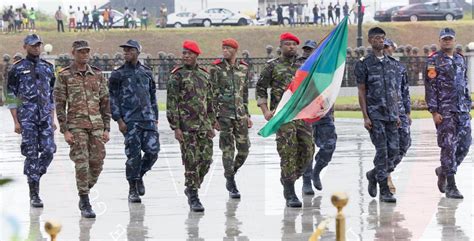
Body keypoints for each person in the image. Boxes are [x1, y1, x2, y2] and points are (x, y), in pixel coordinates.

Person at [256, 32, 315, 208]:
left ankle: (287, 179)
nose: (291, 47)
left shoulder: (304, 65)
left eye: (294, 44)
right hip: (283, 117)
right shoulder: (272, 66)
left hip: (302, 115)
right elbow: (260, 88)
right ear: (280, 46)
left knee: (308, 150)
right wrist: (266, 110)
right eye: (288, 44)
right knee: (288, 152)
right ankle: (290, 191)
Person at [54, 40, 111, 218]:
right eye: (81, 52)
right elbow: (60, 104)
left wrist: (107, 128)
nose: (84, 55)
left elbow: (105, 102)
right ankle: (85, 199)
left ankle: (85, 187)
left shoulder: (98, 75)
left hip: (96, 126)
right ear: (73, 53)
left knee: (98, 162)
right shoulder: (65, 76)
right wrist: (65, 130)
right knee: (82, 162)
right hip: (76, 125)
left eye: (87, 51)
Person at [6, 34, 56, 208]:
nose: (37, 48)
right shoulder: (17, 68)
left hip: (44, 117)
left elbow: (51, 95)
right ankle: (34, 193)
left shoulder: (48, 68)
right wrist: (16, 121)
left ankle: (34, 174)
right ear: (25, 47)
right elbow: (11, 94)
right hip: (27, 118)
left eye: (38, 45)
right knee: (31, 154)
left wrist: (52, 117)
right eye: (33, 45)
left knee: (49, 150)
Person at [109, 40, 160, 203]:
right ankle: (132, 189)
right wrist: (118, 119)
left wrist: (155, 116)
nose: (126, 53)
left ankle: (139, 176)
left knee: (153, 152)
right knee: (133, 156)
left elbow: (152, 96)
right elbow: (113, 98)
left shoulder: (146, 72)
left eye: (130, 50)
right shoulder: (118, 74)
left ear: (138, 52)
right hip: (130, 121)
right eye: (124, 51)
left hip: (148, 119)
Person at [167, 40, 216, 212]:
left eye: (189, 54)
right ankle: (193, 195)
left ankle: (192, 186)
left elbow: (209, 101)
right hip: (186, 127)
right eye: (184, 54)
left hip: (203, 126)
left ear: (196, 55)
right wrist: (176, 127)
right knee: (191, 161)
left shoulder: (204, 75)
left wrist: (211, 123)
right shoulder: (177, 75)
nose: (186, 56)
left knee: (206, 159)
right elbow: (172, 103)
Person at [424, 28, 471, 199]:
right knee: (448, 147)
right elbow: (430, 87)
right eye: (444, 39)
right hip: (445, 112)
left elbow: (464, 83)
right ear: (440, 40)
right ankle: (451, 185)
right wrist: (434, 111)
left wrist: (468, 105)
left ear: (454, 40)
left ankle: (443, 170)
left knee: (465, 144)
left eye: (450, 39)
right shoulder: (433, 61)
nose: (447, 41)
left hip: (462, 111)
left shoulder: (460, 59)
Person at [355, 27, 399, 203]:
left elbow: (394, 91)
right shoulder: (364, 63)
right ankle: (384, 189)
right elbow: (361, 91)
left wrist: (396, 114)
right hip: (375, 115)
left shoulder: (391, 63)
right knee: (382, 151)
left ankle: (373, 174)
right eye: (375, 38)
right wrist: (365, 116)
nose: (379, 41)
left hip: (391, 115)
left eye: (382, 38)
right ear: (370, 40)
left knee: (394, 151)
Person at [210, 38, 252, 199]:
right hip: (224, 115)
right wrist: (214, 117)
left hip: (240, 114)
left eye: (228, 48)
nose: (225, 50)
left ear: (235, 50)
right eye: (223, 48)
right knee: (228, 150)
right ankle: (232, 183)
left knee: (244, 149)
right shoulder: (216, 68)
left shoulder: (243, 68)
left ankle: (230, 172)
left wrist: (247, 114)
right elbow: (211, 93)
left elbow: (245, 93)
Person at [383, 39, 411, 194]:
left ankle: (380, 172)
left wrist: (407, 112)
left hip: (400, 111)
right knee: (389, 147)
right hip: (383, 113)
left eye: (389, 46)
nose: (387, 49)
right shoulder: (374, 65)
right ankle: (386, 176)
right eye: (384, 46)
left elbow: (404, 90)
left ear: (393, 49)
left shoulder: (399, 67)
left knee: (405, 142)